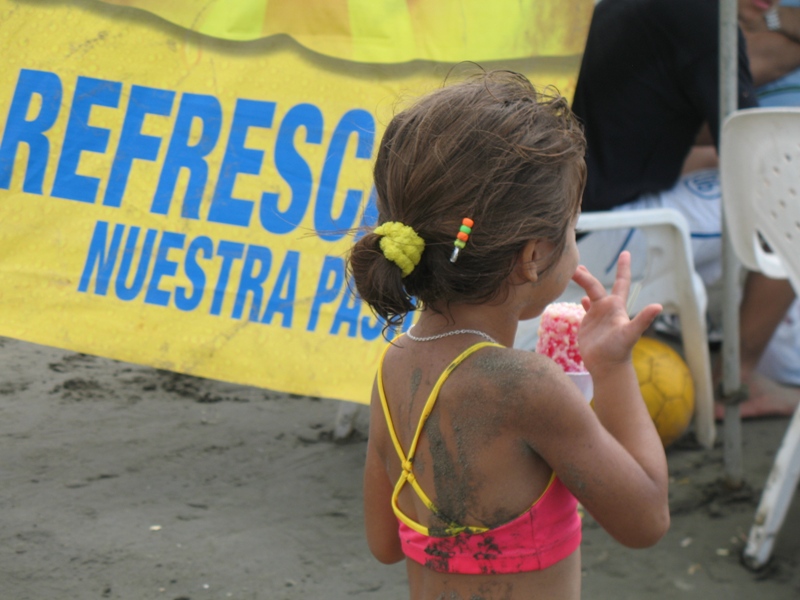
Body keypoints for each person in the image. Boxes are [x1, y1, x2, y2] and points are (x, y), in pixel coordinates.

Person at [349, 71, 669, 600]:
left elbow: (385, 542)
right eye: (572, 229)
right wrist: (611, 368)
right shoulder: (527, 386)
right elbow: (647, 518)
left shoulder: (396, 365)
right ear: (533, 257)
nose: (575, 243)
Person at [570, 0, 800, 419]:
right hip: (605, 233)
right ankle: (737, 380)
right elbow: (752, 156)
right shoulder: (703, 17)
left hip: (573, 217)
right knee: (792, 194)